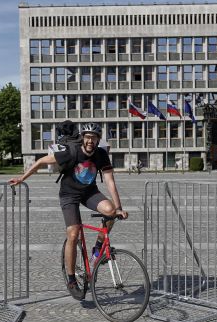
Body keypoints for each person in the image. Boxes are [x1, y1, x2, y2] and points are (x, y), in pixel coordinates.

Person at [8, 122, 128, 300]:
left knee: (110, 211)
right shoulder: (71, 152)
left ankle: (97, 248)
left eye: (93, 138)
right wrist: (21, 178)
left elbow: (110, 181)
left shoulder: (101, 154)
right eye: (87, 138)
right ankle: (71, 279)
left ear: (98, 140)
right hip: (69, 195)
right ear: (82, 139)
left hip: (89, 192)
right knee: (73, 234)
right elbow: (41, 161)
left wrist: (118, 208)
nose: (90, 141)